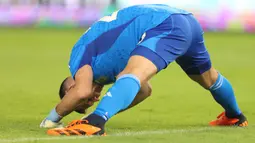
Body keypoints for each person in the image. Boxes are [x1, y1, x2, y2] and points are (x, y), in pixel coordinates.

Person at [40, 4, 248, 136]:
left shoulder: (77, 62)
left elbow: (82, 90)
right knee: (209, 78)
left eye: (81, 104)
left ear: (70, 89)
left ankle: (94, 122)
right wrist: (107, 105)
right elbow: (144, 90)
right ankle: (234, 116)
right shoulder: (105, 67)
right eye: (88, 106)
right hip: (185, 20)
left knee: (132, 74)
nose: (90, 99)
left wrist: (51, 119)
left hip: (163, 25)